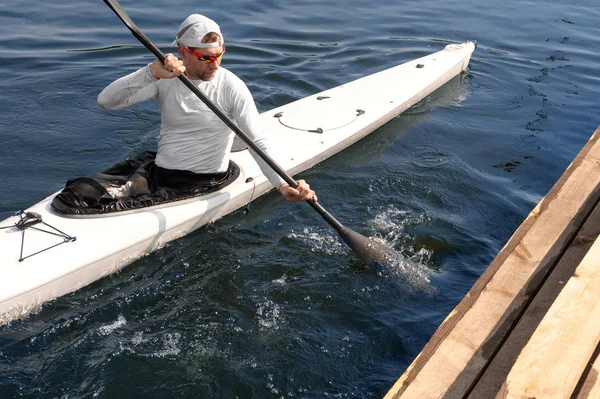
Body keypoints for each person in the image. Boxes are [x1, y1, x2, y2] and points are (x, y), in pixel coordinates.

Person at [98, 14, 316, 202]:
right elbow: (106, 102)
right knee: (81, 193)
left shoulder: (232, 86)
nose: (215, 64)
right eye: (206, 57)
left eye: (219, 54)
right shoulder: (164, 77)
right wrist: (149, 73)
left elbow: (257, 142)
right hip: (161, 174)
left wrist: (282, 184)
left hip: (205, 182)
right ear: (183, 51)